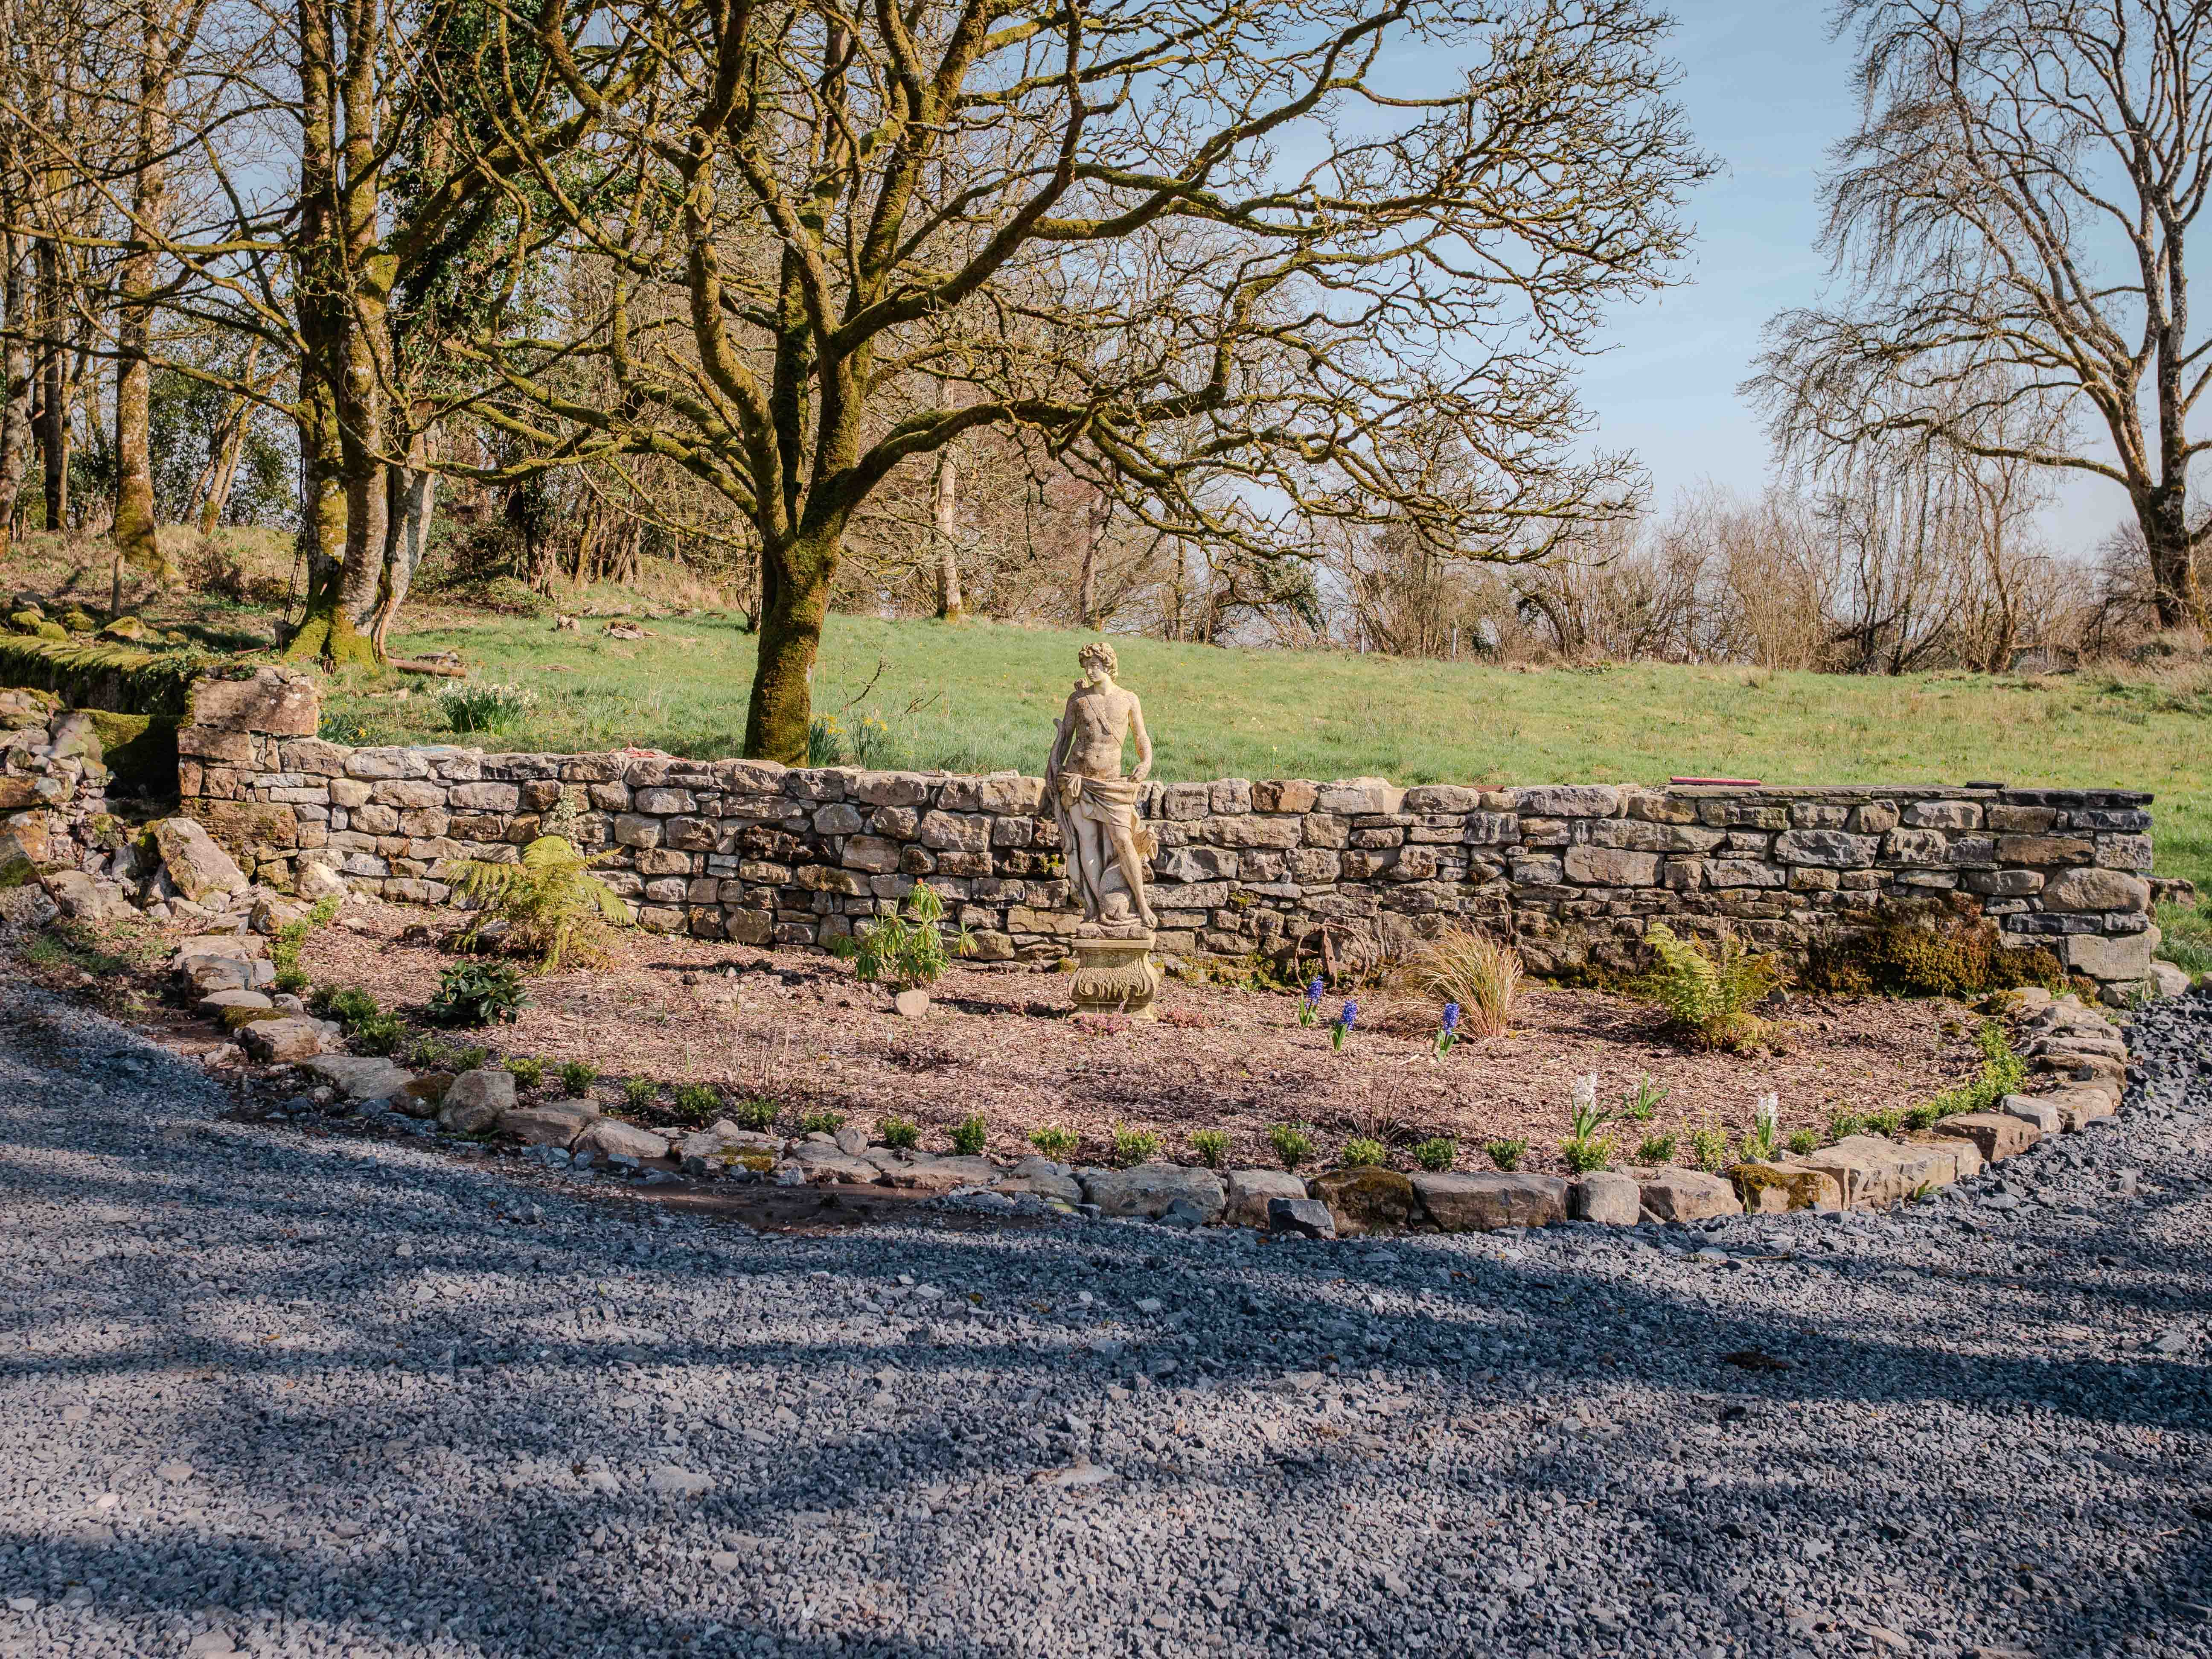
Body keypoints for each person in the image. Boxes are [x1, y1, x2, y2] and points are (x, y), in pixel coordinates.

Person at [1045, 641, 1158, 931]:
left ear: (1109, 665)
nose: (1089, 671)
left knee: (1124, 841)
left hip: (1112, 786)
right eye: (1086, 666)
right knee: (1088, 842)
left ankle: (1142, 903)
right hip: (1078, 781)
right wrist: (1056, 771)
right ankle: (1095, 908)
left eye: (1095, 665)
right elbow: (1065, 738)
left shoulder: (1128, 699)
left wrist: (1145, 763)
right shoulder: (1078, 700)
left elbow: (1141, 737)